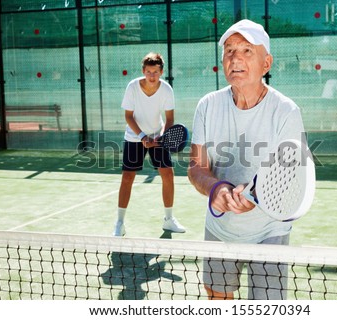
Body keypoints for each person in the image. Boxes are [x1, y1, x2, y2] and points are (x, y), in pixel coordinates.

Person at [188, 20, 307, 299]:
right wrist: (216, 189)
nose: (236, 57)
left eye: (246, 50)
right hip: (219, 227)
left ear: (266, 64)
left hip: (270, 230)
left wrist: (254, 196)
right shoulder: (207, 105)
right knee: (218, 299)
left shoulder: (287, 111)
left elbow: (291, 179)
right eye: (229, 50)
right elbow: (197, 167)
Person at [114, 52, 186, 236]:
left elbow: (169, 120)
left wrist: (160, 138)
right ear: (143, 71)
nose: (152, 76)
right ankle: (119, 223)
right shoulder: (132, 87)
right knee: (127, 177)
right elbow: (128, 116)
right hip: (134, 137)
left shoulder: (167, 90)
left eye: (155, 72)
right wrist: (142, 137)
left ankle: (168, 220)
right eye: (148, 72)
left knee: (168, 175)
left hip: (157, 135)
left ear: (161, 71)